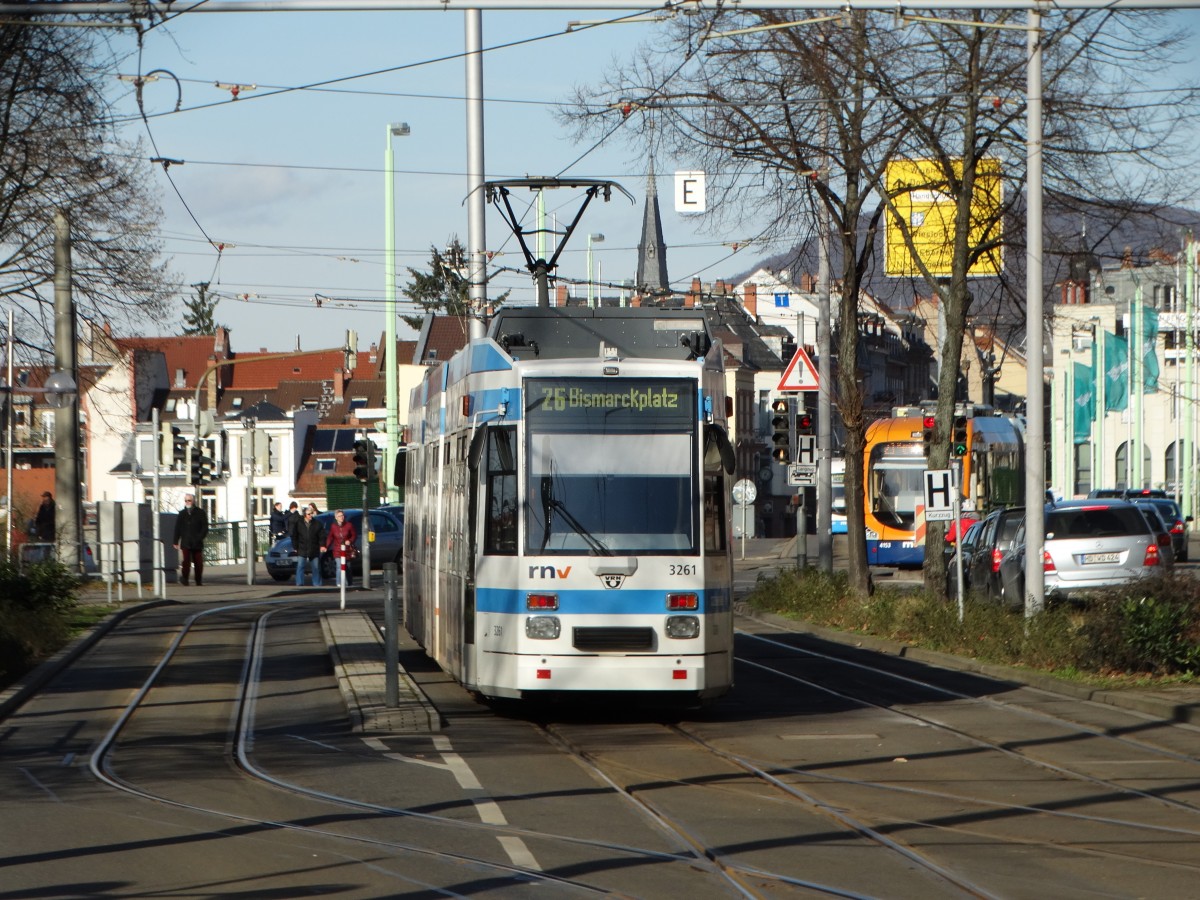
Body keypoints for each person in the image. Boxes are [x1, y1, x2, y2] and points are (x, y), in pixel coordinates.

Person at [173, 493, 209, 586]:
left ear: (193, 501)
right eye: (186, 500)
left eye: (189, 500)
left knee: (198, 563)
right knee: (186, 562)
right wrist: (175, 541)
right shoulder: (182, 514)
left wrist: (200, 537)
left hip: (197, 542)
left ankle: (198, 580)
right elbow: (177, 528)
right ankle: (185, 578)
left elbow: (205, 527)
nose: (187, 502)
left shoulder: (200, 512)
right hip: (186, 541)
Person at [292, 506, 326, 587]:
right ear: (305, 515)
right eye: (309, 514)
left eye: (311, 513)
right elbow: (294, 536)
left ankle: (317, 584)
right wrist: (295, 547)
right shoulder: (298, 523)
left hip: (314, 548)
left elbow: (322, 536)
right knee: (300, 567)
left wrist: (322, 545)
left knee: (316, 567)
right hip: (302, 548)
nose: (311, 515)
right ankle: (299, 583)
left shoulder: (317, 524)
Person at [324, 509, 358, 588]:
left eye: (342, 516)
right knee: (339, 566)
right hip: (337, 550)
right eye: (339, 516)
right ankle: (339, 583)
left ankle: (349, 583)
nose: (341, 518)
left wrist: (350, 541)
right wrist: (326, 546)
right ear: (336, 517)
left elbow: (354, 535)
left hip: (347, 550)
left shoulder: (349, 525)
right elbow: (330, 537)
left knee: (347, 567)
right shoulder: (333, 526)